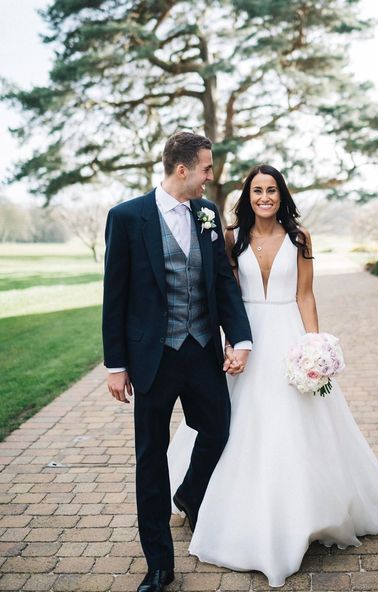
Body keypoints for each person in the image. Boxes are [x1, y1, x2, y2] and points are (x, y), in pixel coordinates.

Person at [167, 164, 378, 587]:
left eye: (271, 190)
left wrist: (315, 345)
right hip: (248, 342)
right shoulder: (233, 239)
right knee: (235, 424)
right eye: (257, 191)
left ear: (281, 195)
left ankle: (306, 512)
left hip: (290, 338)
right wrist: (230, 341)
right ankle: (216, 502)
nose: (264, 198)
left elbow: (305, 294)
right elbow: (227, 295)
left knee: (299, 425)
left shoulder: (300, 238)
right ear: (247, 197)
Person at [102, 131, 252, 592]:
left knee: (219, 429)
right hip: (152, 357)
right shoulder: (127, 217)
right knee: (150, 458)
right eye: (207, 168)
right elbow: (115, 295)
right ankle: (160, 564)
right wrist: (115, 365)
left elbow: (223, 285)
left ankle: (188, 493)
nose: (212, 176)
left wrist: (240, 338)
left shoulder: (206, 215)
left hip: (202, 350)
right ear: (182, 169)